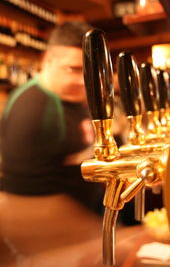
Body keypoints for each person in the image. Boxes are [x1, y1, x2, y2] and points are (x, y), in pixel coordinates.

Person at [0, 21, 104, 266]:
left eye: (88, 71)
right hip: (49, 251)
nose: (82, 80)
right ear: (47, 60)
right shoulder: (33, 110)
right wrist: (108, 236)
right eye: (73, 69)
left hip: (79, 237)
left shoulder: (71, 96)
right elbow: (20, 205)